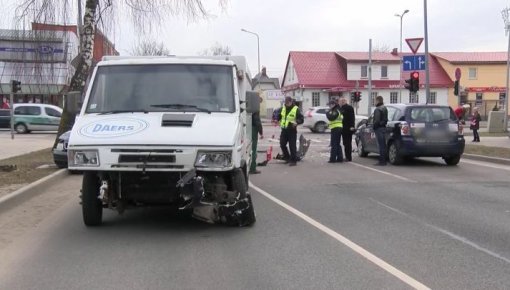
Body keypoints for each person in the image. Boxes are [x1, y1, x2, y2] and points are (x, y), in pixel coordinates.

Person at [278, 96, 304, 166]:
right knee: (282, 144)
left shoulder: (296, 109)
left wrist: (297, 122)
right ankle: (287, 157)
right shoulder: (283, 108)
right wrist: (277, 118)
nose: (286, 104)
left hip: (292, 130)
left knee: (292, 146)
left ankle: (293, 160)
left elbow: (301, 119)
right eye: (285, 103)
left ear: (291, 102)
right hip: (284, 130)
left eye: (287, 103)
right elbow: (280, 116)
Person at [249, 97, 264, 174]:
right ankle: (252, 168)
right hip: (254, 129)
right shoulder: (256, 109)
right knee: (253, 149)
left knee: (248, 148)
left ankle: (249, 166)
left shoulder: (249, 107)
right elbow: (257, 122)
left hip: (248, 128)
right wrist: (261, 132)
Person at [373, 96, 388, 166]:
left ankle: (382, 161)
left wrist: (374, 127)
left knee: (380, 145)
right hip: (383, 127)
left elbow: (377, 120)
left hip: (379, 128)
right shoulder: (384, 108)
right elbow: (385, 119)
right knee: (383, 145)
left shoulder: (377, 109)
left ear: (378, 101)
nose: (374, 102)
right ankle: (384, 160)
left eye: (375, 101)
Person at [339, 97, 355, 162]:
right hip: (346, 128)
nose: (340, 103)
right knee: (347, 143)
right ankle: (348, 157)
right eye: (340, 101)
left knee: (347, 143)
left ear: (344, 102)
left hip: (347, 128)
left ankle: (348, 157)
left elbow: (351, 118)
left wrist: (352, 126)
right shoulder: (345, 108)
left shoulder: (346, 108)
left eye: (341, 101)